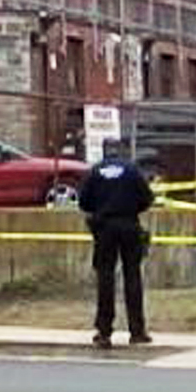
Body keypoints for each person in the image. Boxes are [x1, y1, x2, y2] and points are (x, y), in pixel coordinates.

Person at [78, 138, 155, 349]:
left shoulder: (95, 172)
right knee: (133, 277)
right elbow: (147, 199)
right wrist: (131, 209)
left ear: (104, 152)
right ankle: (137, 331)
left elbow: (83, 202)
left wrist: (101, 209)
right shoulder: (132, 170)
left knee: (105, 278)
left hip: (104, 228)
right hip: (129, 226)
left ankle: (104, 332)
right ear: (121, 151)